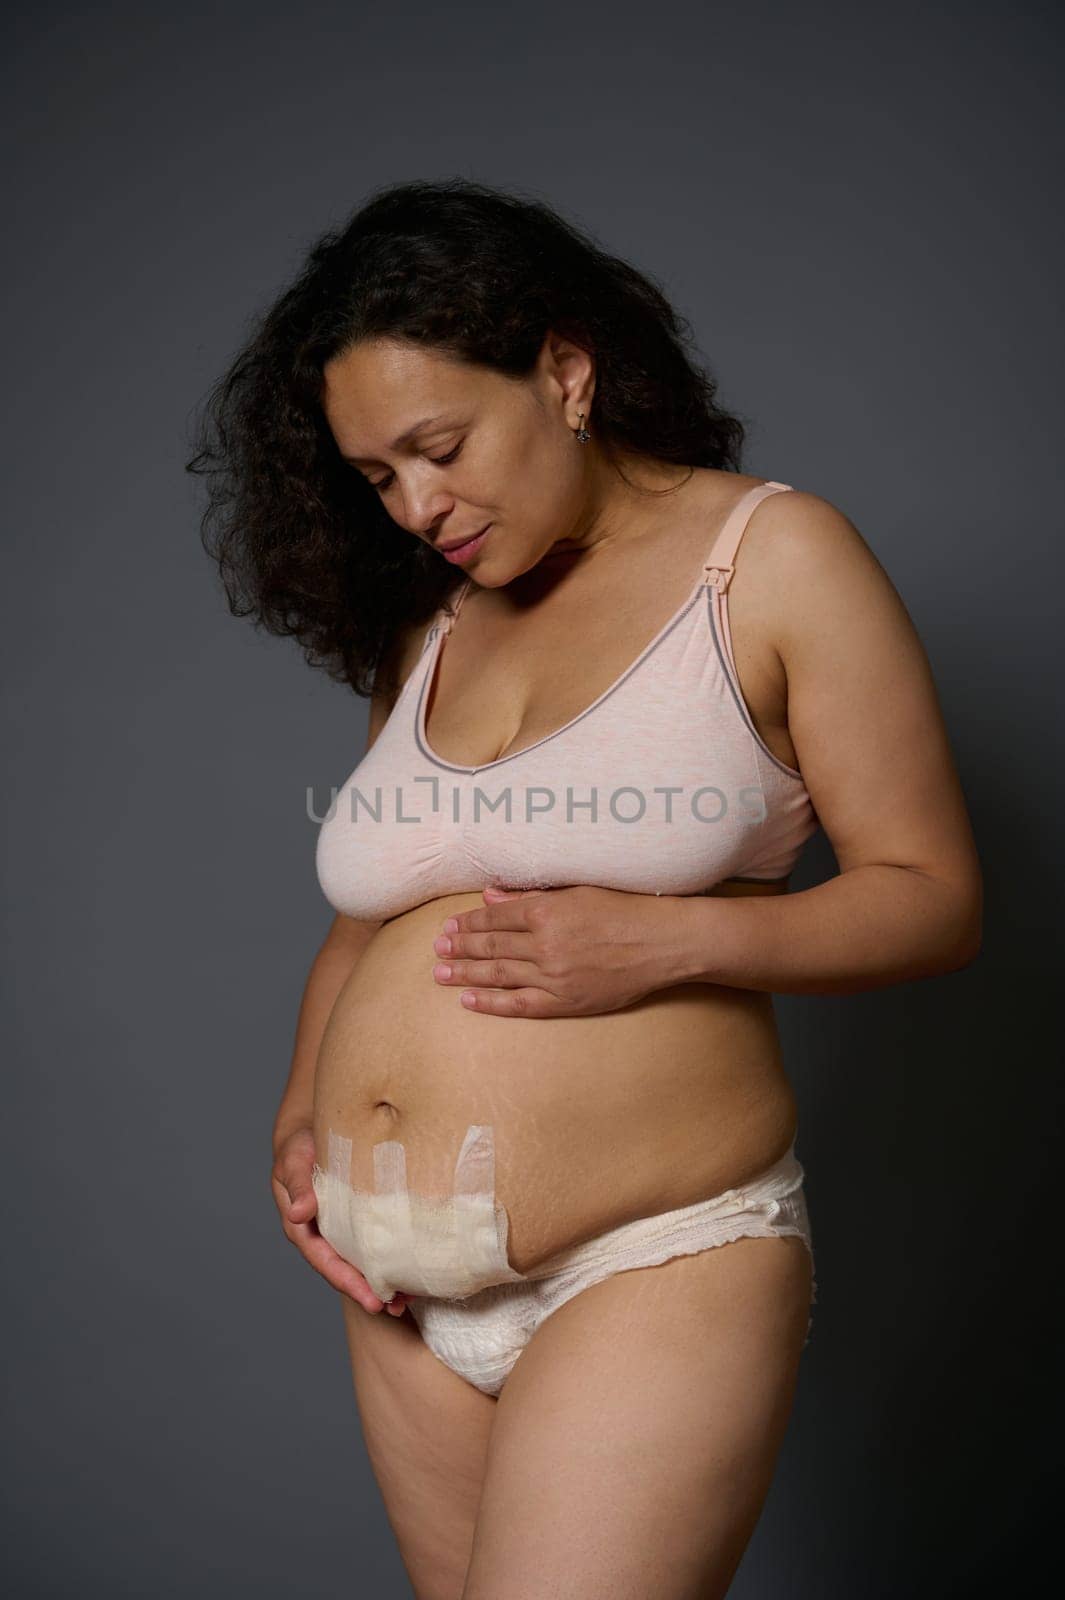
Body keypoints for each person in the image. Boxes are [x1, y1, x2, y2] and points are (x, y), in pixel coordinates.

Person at [187, 177, 982, 1600]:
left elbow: (930, 894)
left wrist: (670, 942)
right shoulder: (434, 622)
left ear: (563, 373)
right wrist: (307, 1117)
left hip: (649, 1258)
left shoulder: (773, 561)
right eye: (377, 478)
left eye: (438, 447)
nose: (417, 505)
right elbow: (365, 921)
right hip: (404, 1294)